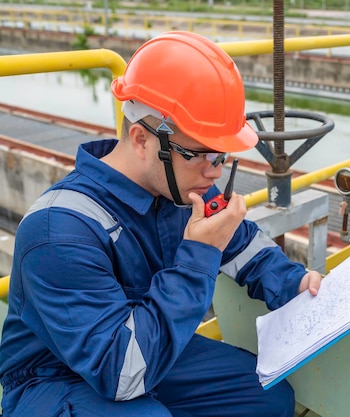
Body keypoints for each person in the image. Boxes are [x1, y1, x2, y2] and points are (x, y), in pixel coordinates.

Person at [0, 31, 322, 417]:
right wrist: (197, 257)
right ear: (141, 140)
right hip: (59, 377)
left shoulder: (178, 190)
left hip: (145, 339)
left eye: (222, 155)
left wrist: (295, 283)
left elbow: (241, 243)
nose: (215, 172)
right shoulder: (58, 232)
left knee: (269, 397)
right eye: (202, 154)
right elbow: (120, 374)